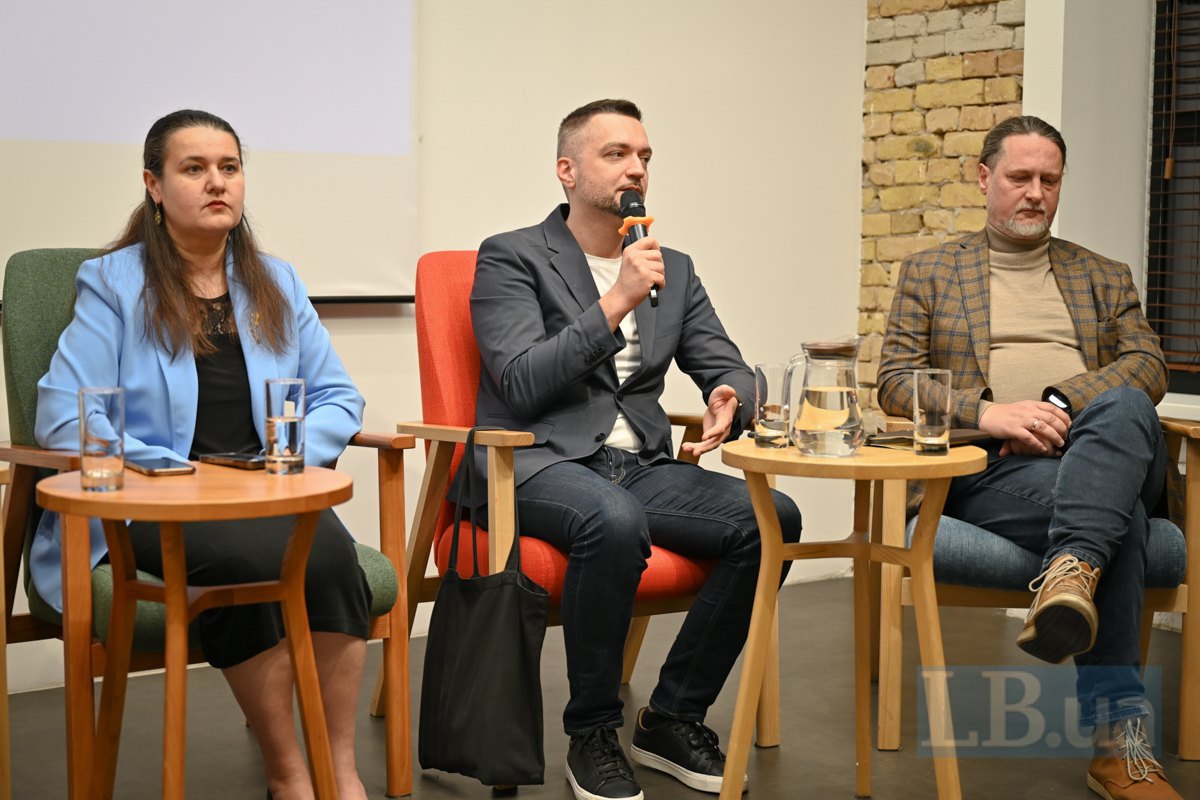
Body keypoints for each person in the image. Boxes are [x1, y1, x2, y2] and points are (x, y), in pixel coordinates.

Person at [464, 98, 803, 800]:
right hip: (535, 461)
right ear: (567, 170)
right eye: (616, 153)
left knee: (772, 518)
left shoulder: (669, 265)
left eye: (644, 155)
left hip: (637, 464)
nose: (636, 167)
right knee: (611, 519)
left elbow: (729, 364)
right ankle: (592, 731)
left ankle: (673, 715)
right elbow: (521, 383)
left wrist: (732, 397)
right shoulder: (511, 255)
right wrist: (614, 300)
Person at [32, 109, 372, 800]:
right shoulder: (115, 283)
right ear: (154, 186)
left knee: (332, 559)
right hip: (156, 505)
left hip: (267, 492)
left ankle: (340, 772)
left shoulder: (276, 280)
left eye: (229, 168)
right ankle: (289, 774)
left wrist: (292, 451)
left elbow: (339, 394)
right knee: (248, 565)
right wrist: (160, 467)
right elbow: (64, 411)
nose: (217, 182)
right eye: (194, 169)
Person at [878, 115, 1181, 799]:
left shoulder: (1104, 275)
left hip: (1108, 447)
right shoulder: (931, 273)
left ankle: (1071, 570)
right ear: (985, 178)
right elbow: (895, 379)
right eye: (1020, 177)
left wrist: (1060, 404)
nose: (1035, 193)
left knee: (1128, 404)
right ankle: (1119, 746)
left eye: (1049, 180)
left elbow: (1148, 366)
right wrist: (991, 413)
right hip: (997, 468)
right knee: (1119, 522)